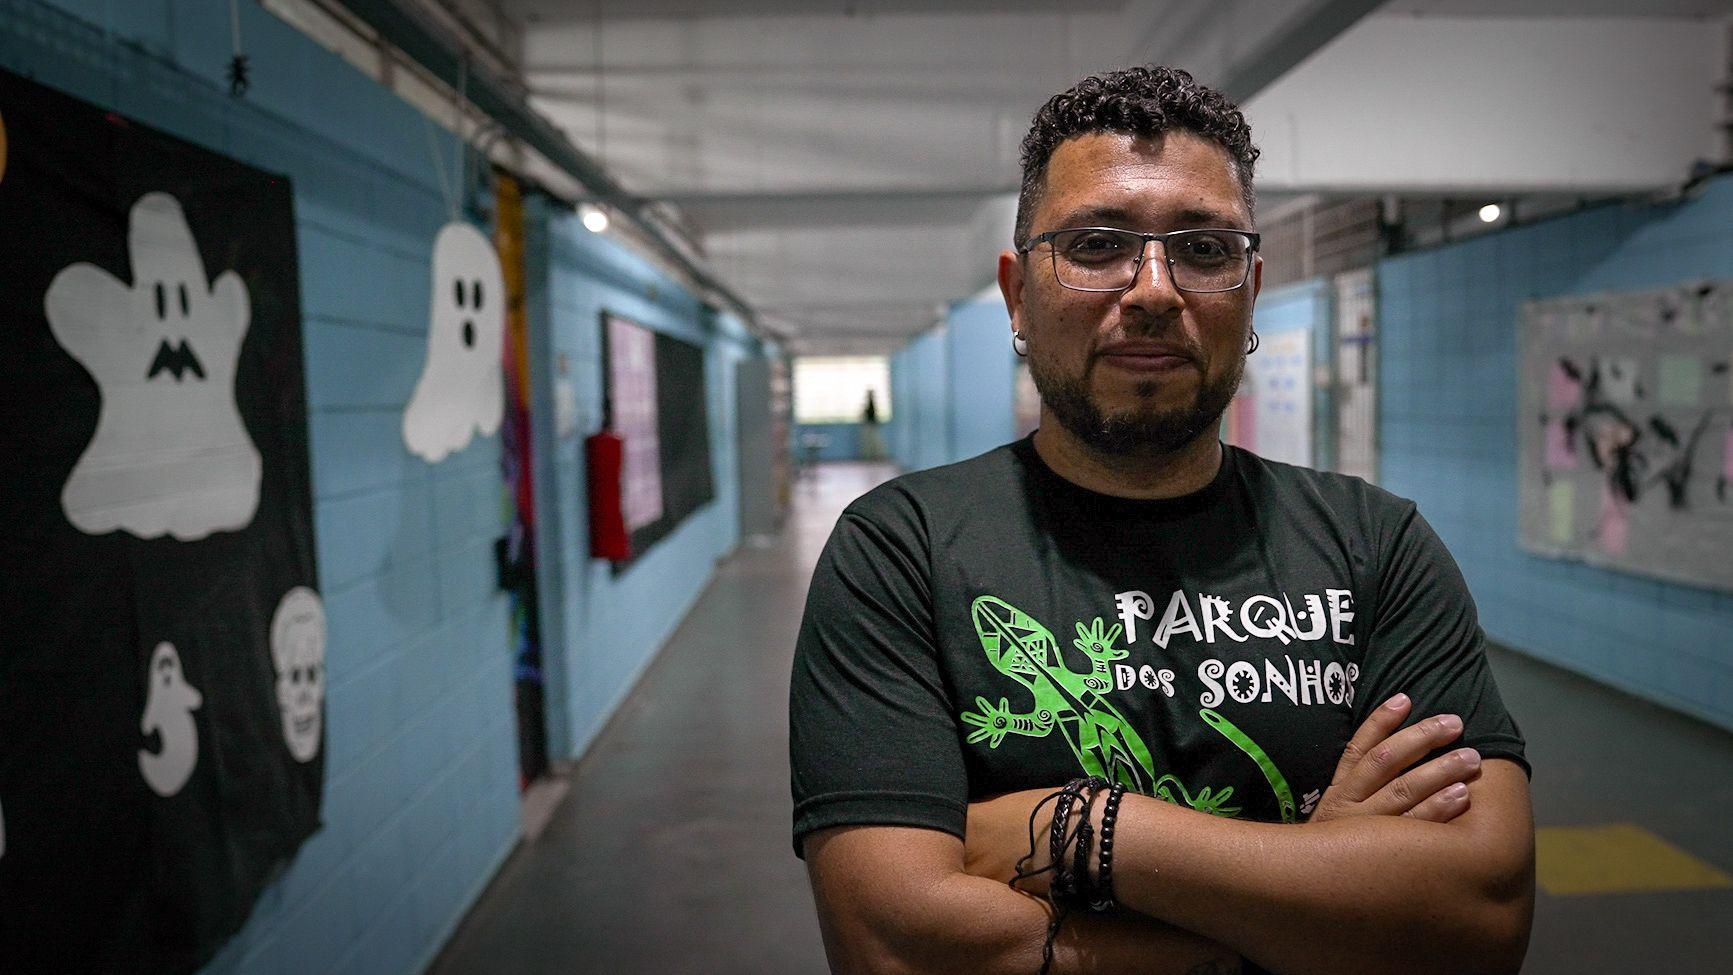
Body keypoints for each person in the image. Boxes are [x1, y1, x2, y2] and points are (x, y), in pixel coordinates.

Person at [788, 66, 1534, 975]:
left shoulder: (1373, 544)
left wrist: (1084, 829)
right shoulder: (902, 549)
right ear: (1019, 294)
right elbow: (894, 945)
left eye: (1204, 250)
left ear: (1250, 289)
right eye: (1096, 245)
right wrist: (1314, 889)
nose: (1151, 288)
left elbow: (1477, 918)